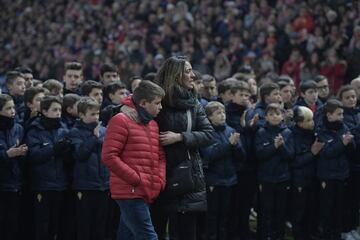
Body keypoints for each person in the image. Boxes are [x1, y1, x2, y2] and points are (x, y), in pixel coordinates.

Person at [151, 56, 214, 240]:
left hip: (188, 176)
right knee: (156, 230)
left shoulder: (194, 103)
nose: (193, 75)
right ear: (175, 75)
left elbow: (209, 134)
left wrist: (180, 137)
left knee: (187, 232)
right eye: (187, 71)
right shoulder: (157, 101)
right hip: (158, 175)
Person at [102, 80, 166, 240]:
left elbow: (160, 156)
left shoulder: (152, 124)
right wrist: (136, 179)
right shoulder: (121, 120)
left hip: (145, 189)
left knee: (127, 235)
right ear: (143, 103)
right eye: (157, 103)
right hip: (130, 191)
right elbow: (109, 156)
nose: (161, 107)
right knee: (148, 235)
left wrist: (160, 180)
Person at [25, 96, 72, 240]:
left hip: (61, 184)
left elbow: (69, 159)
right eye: (54, 110)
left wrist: (67, 152)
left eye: (59, 110)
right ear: (44, 111)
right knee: (42, 225)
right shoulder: (34, 130)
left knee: (57, 224)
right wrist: (54, 149)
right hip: (42, 185)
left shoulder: (63, 129)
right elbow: (34, 156)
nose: (58, 113)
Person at [201, 101, 245, 240]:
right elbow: (210, 155)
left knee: (225, 215)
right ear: (209, 117)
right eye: (218, 113)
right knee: (212, 216)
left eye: (223, 112)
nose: (222, 116)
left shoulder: (230, 130)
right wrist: (229, 145)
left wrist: (236, 146)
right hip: (214, 180)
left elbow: (242, 156)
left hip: (230, 180)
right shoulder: (206, 133)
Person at [67, 97, 109, 240]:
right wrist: (94, 137)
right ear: (81, 115)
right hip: (85, 185)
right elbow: (80, 154)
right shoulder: (74, 132)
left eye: (97, 114)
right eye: (92, 114)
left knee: (101, 226)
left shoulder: (104, 130)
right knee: (85, 226)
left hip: (103, 185)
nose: (96, 117)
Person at [316, 99, 355, 240]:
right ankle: (327, 235)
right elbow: (326, 153)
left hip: (342, 175)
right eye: (339, 114)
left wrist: (350, 143)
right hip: (327, 176)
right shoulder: (321, 131)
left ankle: (337, 235)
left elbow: (352, 151)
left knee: (339, 209)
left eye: (342, 114)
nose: (342, 117)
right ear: (329, 115)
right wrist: (342, 143)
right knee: (327, 209)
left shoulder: (344, 127)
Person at [255, 103, 294, 240]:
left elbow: (290, 156)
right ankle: (265, 236)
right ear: (265, 117)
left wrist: (282, 146)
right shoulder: (261, 132)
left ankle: (279, 236)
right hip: (266, 178)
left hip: (282, 178)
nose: (274, 117)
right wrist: (274, 146)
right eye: (271, 114)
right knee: (266, 210)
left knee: (280, 210)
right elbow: (259, 155)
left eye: (277, 114)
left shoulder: (288, 133)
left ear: (282, 116)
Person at [291, 106, 324, 240]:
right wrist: (312, 153)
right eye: (309, 120)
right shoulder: (292, 135)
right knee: (299, 213)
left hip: (314, 178)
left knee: (313, 210)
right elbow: (294, 162)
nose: (313, 123)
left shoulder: (314, 133)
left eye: (313, 119)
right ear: (299, 122)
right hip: (300, 180)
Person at [0, 94, 28, 240]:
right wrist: (7, 155)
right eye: (8, 108)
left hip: (15, 184)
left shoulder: (18, 128)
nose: (13, 111)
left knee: (12, 223)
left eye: (13, 107)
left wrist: (22, 153)